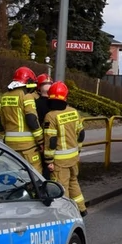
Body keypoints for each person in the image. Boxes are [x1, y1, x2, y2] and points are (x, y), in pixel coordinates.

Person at [43, 81, 87, 217]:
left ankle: (66, 215)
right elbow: (81, 134)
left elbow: (51, 141)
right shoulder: (73, 112)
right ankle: (81, 209)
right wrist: (78, 151)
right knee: (74, 183)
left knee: (61, 189)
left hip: (59, 162)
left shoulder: (51, 116)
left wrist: (48, 160)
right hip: (73, 158)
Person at [0, 66, 44, 174]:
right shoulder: (26, 96)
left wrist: (5, 137)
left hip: (10, 146)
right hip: (28, 147)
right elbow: (32, 120)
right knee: (34, 176)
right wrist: (41, 141)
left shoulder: (4, 97)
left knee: (16, 176)